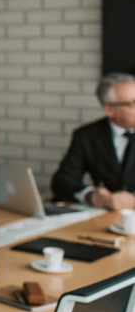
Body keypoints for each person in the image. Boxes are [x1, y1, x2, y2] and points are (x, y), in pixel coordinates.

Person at [51, 72, 135, 210]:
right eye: (133, 103)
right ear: (109, 109)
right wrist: (88, 195)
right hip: (102, 219)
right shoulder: (86, 135)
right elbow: (61, 181)